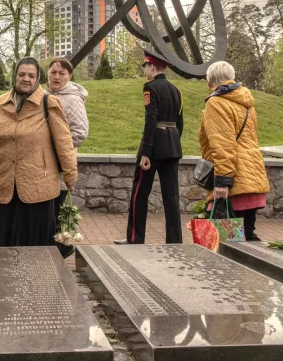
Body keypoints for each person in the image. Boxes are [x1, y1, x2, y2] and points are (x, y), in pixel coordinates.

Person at [0, 57, 78, 247]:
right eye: (22, 74)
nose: (26, 79)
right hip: (6, 184)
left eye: (31, 76)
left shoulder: (48, 103)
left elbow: (64, 143)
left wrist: (70, 175)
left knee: (35, 246)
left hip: (38, 186)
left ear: (37, 79)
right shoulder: (0, 103)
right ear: (15, 76)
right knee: (3, 244)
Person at [115, 49, 183, 245]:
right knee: (171, 197)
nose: (145, 70)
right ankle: (174, 241)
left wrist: (146, 152)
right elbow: (180, 123)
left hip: (153, 150)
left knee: (139, 194)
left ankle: (136, 238)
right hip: (172, 147)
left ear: (152, 67)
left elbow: (151, 120)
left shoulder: (150, 88)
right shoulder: (176, 90)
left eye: (146, 66)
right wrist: (174, 143)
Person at [198, 61, 270, 241]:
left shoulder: (216, 103)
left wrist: (222, 182)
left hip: (234, 182)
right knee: (248, 237)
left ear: (210, 82)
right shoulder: (246, 103)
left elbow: (223, 145)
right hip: (252, 176)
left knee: (228, 243)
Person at [46, 57, 88, 256]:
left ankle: (63, 247)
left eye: (61, 73)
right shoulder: (41, 94)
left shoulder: (72, 98)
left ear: (69, 76)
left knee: (59, 205)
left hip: (61, 162)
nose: (56, 76)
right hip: (42, 162)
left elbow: (80, 132)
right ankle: (51, 245)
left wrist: (57, 147)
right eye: (53, 72)